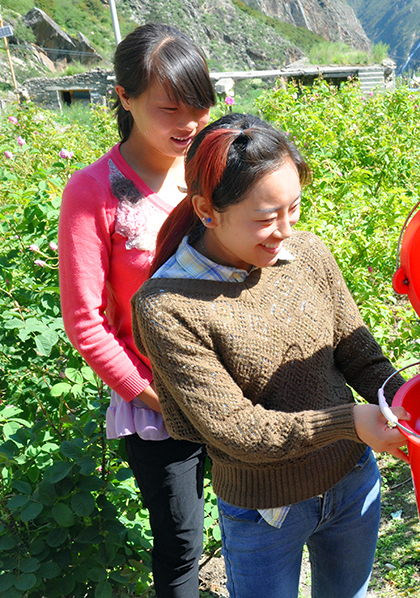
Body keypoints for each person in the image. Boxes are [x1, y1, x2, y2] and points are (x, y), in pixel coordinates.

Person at [130, 113, 410, 598]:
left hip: (351, 480)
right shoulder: (167, 307)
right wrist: (350, 421)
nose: (283, 231)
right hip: (266, 511)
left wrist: (414, 401)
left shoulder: (307, 254)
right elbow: (237, 431)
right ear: (206, 209)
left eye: (293, 208)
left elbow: (359, 355)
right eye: (263, 218)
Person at [58, 24, 215, 598]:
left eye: (199, 107)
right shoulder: (94, 192)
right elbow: (85, 323)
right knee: (181, 546)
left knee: (260, 516)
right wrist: (159, 399)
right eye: (170, 108)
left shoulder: (212, 167)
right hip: (159, 405)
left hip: (236, 385)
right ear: (124, 98)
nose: (189, 124)